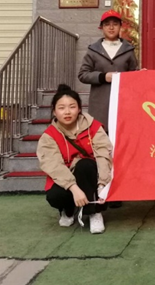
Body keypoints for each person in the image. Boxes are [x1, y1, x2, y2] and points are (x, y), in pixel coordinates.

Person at [37, 84, 113, 234]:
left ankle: (94, 212)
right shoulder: (48, 136)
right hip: (66, 177)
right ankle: (68, 209)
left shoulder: (94, 127)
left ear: (79, 109)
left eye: (72, 107)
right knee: (55, 196)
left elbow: (104, 155)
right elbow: (54, 166)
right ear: (54, 111)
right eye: (61, 108)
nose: (67, 112)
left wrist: (102, 184)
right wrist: (74, 188)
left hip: (92, 176)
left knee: (85, 164)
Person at [78, 10, 139, 129]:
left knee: (121, 132)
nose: (111, 28)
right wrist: (103, 77)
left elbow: (133, 74)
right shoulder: (93, 50)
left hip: (123, 101)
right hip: (100, 103)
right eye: (107, 24)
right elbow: (83, 74)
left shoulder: (128, 50)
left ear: (120, 27)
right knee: (100, 135)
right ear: (101, 28)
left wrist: (140, 74)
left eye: (115, 24)